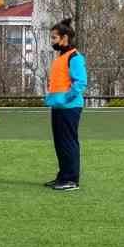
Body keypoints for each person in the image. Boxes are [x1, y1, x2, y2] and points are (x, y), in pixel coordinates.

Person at [44, 18, 87, 192]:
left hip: (69, 108)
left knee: (68, 143)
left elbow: (80, 83)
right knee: (60, 143)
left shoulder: (74, 57)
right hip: (59, 107)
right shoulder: (61, 57)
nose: (52, 41)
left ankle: (71, 179)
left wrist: (65, 99)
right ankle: (63, 176)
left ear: (65, 38)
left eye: (54, 38)